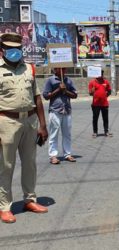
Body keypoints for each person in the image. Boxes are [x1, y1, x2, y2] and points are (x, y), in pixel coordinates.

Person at [0, 33, 49, 223]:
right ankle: (4, 207)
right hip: (6, 121)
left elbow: (37, 98)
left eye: (18, 49)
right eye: (10, 49)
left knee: (30, 163)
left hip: (30, 121)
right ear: (2, 49)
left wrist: (42, 126)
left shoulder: (29, 68)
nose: (15, 52)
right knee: (5, 166)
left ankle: (30, 199)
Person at [42, 68, 78, 164]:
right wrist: (58, 89)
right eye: (60, 68)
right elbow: (45, 96)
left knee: (67, 134)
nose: (63, 70)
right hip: (55, 110)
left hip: (67, 110)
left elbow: (75, 95)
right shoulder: (50, 80)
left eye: (64, 68)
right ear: (55, 69)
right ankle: (53, 156)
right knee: (54, 134)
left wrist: (65, 91)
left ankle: (67, 154)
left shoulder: (68, 81)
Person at [88, 70, 112, 138]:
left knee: (105, 118)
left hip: (104, 104)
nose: (100, 74)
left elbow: (109, 91)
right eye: (99, 73)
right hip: (95, 104)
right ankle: (95, 132)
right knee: (95, 118)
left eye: (101, 73)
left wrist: (105, 96)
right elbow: (90, 93)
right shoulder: (92, 82)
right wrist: (92, 91)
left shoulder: (105, 82)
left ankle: (106, 131)